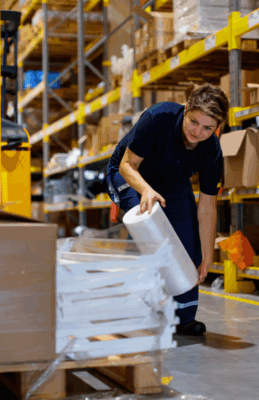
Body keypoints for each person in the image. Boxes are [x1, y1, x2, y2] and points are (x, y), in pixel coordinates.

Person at [105, 84, 228, 336]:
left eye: (207, 128)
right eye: (194, 122)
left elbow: (206, 208)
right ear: (186, 110)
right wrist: (146, 190)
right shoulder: (157, 118)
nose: (198, 132)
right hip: (128, 174)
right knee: (150, 228)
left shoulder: (212, 150)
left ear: (218, 127)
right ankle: (132, 308)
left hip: (172, 182)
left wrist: (207, 254)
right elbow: (128, 165)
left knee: (187, 240)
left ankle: (182, 315)